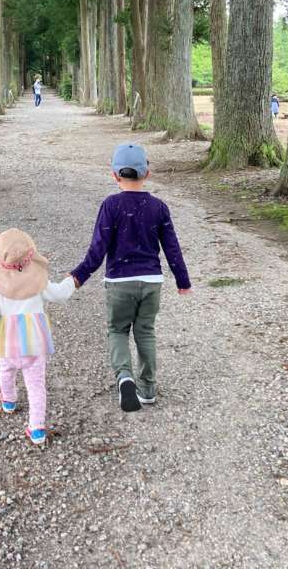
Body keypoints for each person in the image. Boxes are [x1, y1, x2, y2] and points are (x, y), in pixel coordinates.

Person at [71, 143, 192, 412]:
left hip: (119, 283)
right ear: (147, 173)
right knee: (145, 332)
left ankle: (125, 376)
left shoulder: (110, 206)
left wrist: (78, 276)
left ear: (114, 175)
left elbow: (98, 248)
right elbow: (172, 247)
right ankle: (147, 388)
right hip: (151, 282)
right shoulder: (159, 208)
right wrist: (182, 280)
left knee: (118, 330)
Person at [0, 228, 75, 446]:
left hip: (7, 344)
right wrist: (72, 281)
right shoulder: (38, 282)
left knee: (6, 371)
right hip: (34, 344)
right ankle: (37, 427)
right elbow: (59, 294)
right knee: (36, 384)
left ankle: (9, 401)